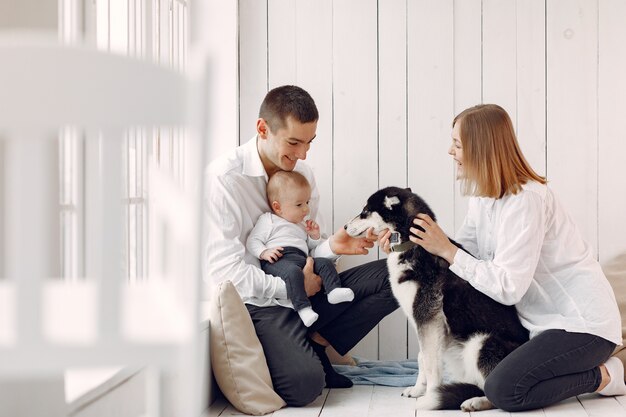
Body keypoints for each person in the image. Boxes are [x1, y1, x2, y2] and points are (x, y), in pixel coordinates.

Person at [381, 103, 625, 411]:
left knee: (505, 390)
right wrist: (402, 242)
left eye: (457, 144)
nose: (450, 151)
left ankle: (605, 375)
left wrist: (447, 249)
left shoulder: (527, 200)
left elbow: (508, 287)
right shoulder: (484, 196)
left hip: (580, 326)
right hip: (534, 325)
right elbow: (459, 256)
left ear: (481, 149)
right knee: (499, 380)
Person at [204, 85, 398, 406]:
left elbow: (305, 250)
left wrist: (333, 247)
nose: (303, 154)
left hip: (304, 291)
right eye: (294, 143)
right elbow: (226, 274)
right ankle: (301, 348)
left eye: (309, 143)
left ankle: (318, 340)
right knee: (305, 386)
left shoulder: (302, 173)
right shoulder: (224, 181)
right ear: (262, 129)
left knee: (401, 274)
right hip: (261, 304)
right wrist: (293, 288)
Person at [246, 170, 355, 327]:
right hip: (278, 259)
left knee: (325, 263)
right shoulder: (269, 220)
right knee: (293, 273)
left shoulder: (302, 225)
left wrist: (314, 236)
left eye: (307, 203)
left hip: (302, 258)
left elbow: (310, 249)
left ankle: (333, 291)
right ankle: (303, 308)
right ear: (278, 207)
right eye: (299, 204)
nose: (306, 210)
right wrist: (264, 252)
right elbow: (253, 241)